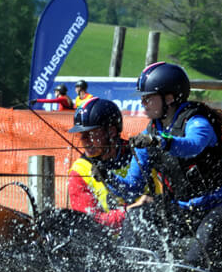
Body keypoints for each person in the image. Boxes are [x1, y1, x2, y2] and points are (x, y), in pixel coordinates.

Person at [105, 61, 222, 270]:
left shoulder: (197, 122)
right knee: (137, 215)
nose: (143, 103)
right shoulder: (149, 133)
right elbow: (132, 187)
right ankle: (126, 270)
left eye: (148, 97)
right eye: (142, 98)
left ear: (169, 98)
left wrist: (160, 142)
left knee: (192, 266)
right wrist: (107, 176)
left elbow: (193, 146)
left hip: (218, 207)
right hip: (183, 210)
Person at [67, 98, 158, 231]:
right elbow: (90, 222)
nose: (84, 140)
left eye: (91, 134)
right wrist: (131, 210)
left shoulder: (141, 152)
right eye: (82, 135)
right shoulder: (79, 171)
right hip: (112, 240)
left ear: (112, 132)